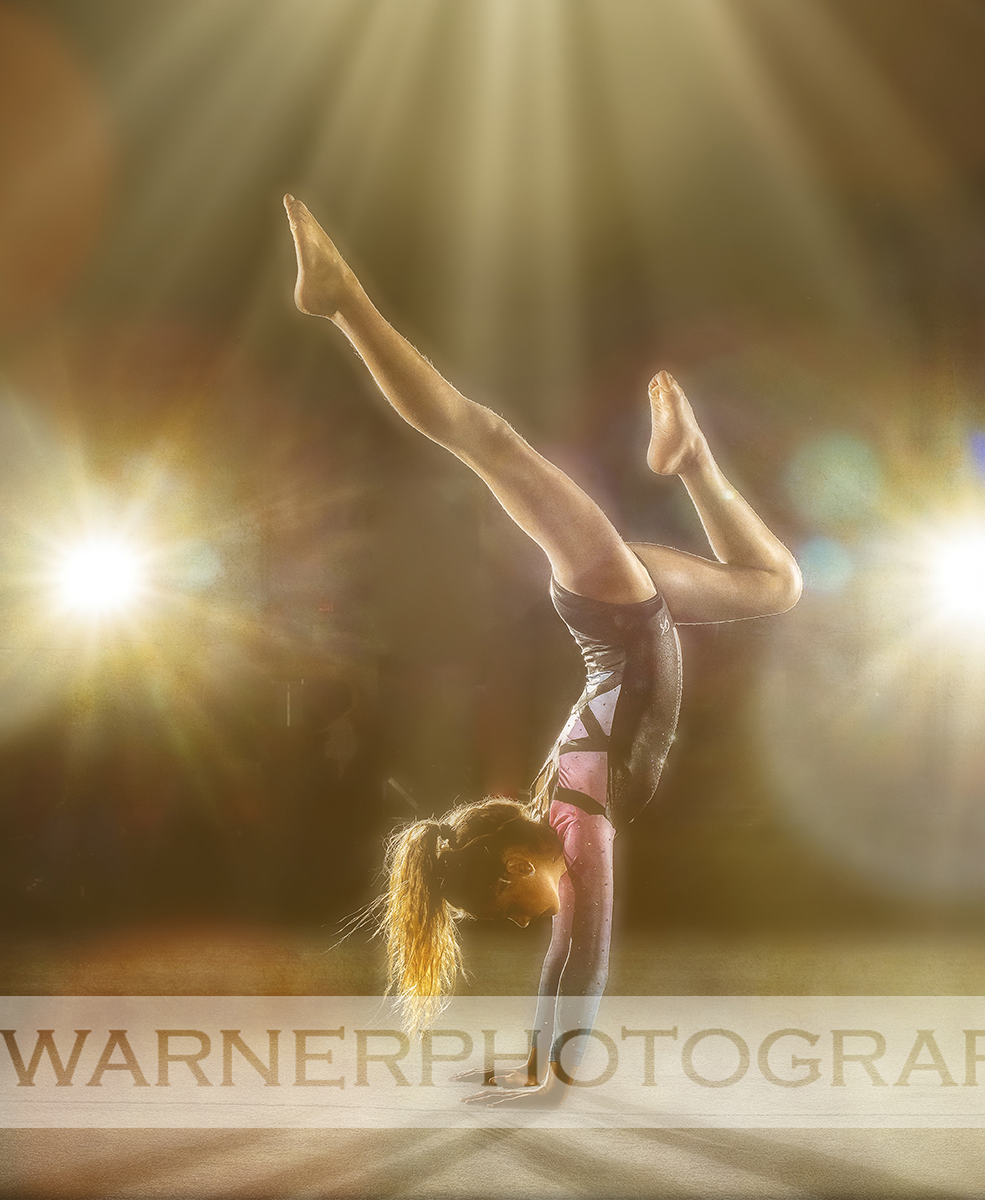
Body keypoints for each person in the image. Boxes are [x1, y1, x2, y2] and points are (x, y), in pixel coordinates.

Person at [284, 195, 802, 1105]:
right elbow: (569, 944)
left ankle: (340, 300)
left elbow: (582, 940)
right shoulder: (564, 809)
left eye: (507, 907)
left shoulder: (577, 822)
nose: (524, 920)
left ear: (519, 867)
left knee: (485, 439)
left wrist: (551, 1066)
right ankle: (690, 464)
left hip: (612, 605)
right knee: (776, 587)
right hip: (631, 610)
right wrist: (538, 1054)